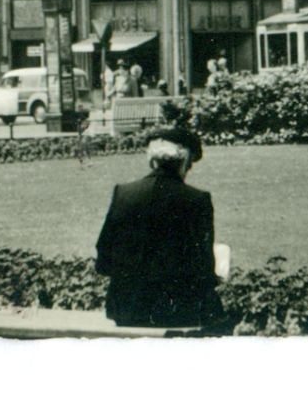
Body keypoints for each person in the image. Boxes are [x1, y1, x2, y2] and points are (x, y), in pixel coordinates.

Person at [94, 125, 223, 329]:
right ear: (185, 162)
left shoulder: (124, 194)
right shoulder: (196, 200)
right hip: (177, 309)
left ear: (152, 160)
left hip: (127, 308)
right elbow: (203, 265)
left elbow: (104, 255)